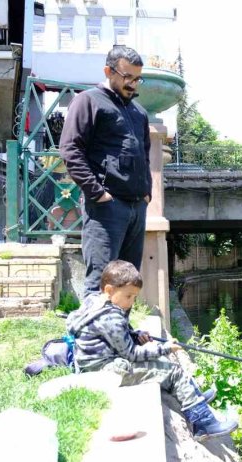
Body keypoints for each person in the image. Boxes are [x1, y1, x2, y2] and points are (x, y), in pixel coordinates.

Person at [67, 260, 238, 442]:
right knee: (173, 372)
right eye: (129, 297)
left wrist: (135, 335)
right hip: (107, 372)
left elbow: (113, 337)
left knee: (167, 366)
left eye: (134, 297)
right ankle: (203, 424)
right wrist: (164, 348)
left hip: (95, 366)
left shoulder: (95, 302)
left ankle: (194, 397)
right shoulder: (111, 316)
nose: (131, 302)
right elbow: (131, 354)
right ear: (109, 290)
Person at [60, 46, 152, 298]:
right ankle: (90, 336)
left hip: (136, 207)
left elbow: (144, 155)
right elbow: (70, 149)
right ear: (108, 71)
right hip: (106, 207)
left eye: (137, 78)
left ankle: (120, 335)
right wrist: (97, 193)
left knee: (128, 284)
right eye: (127, 77)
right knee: (101, 282)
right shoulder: (88, 100)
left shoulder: (138, 112)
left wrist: (147, 194)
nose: (133, 84)